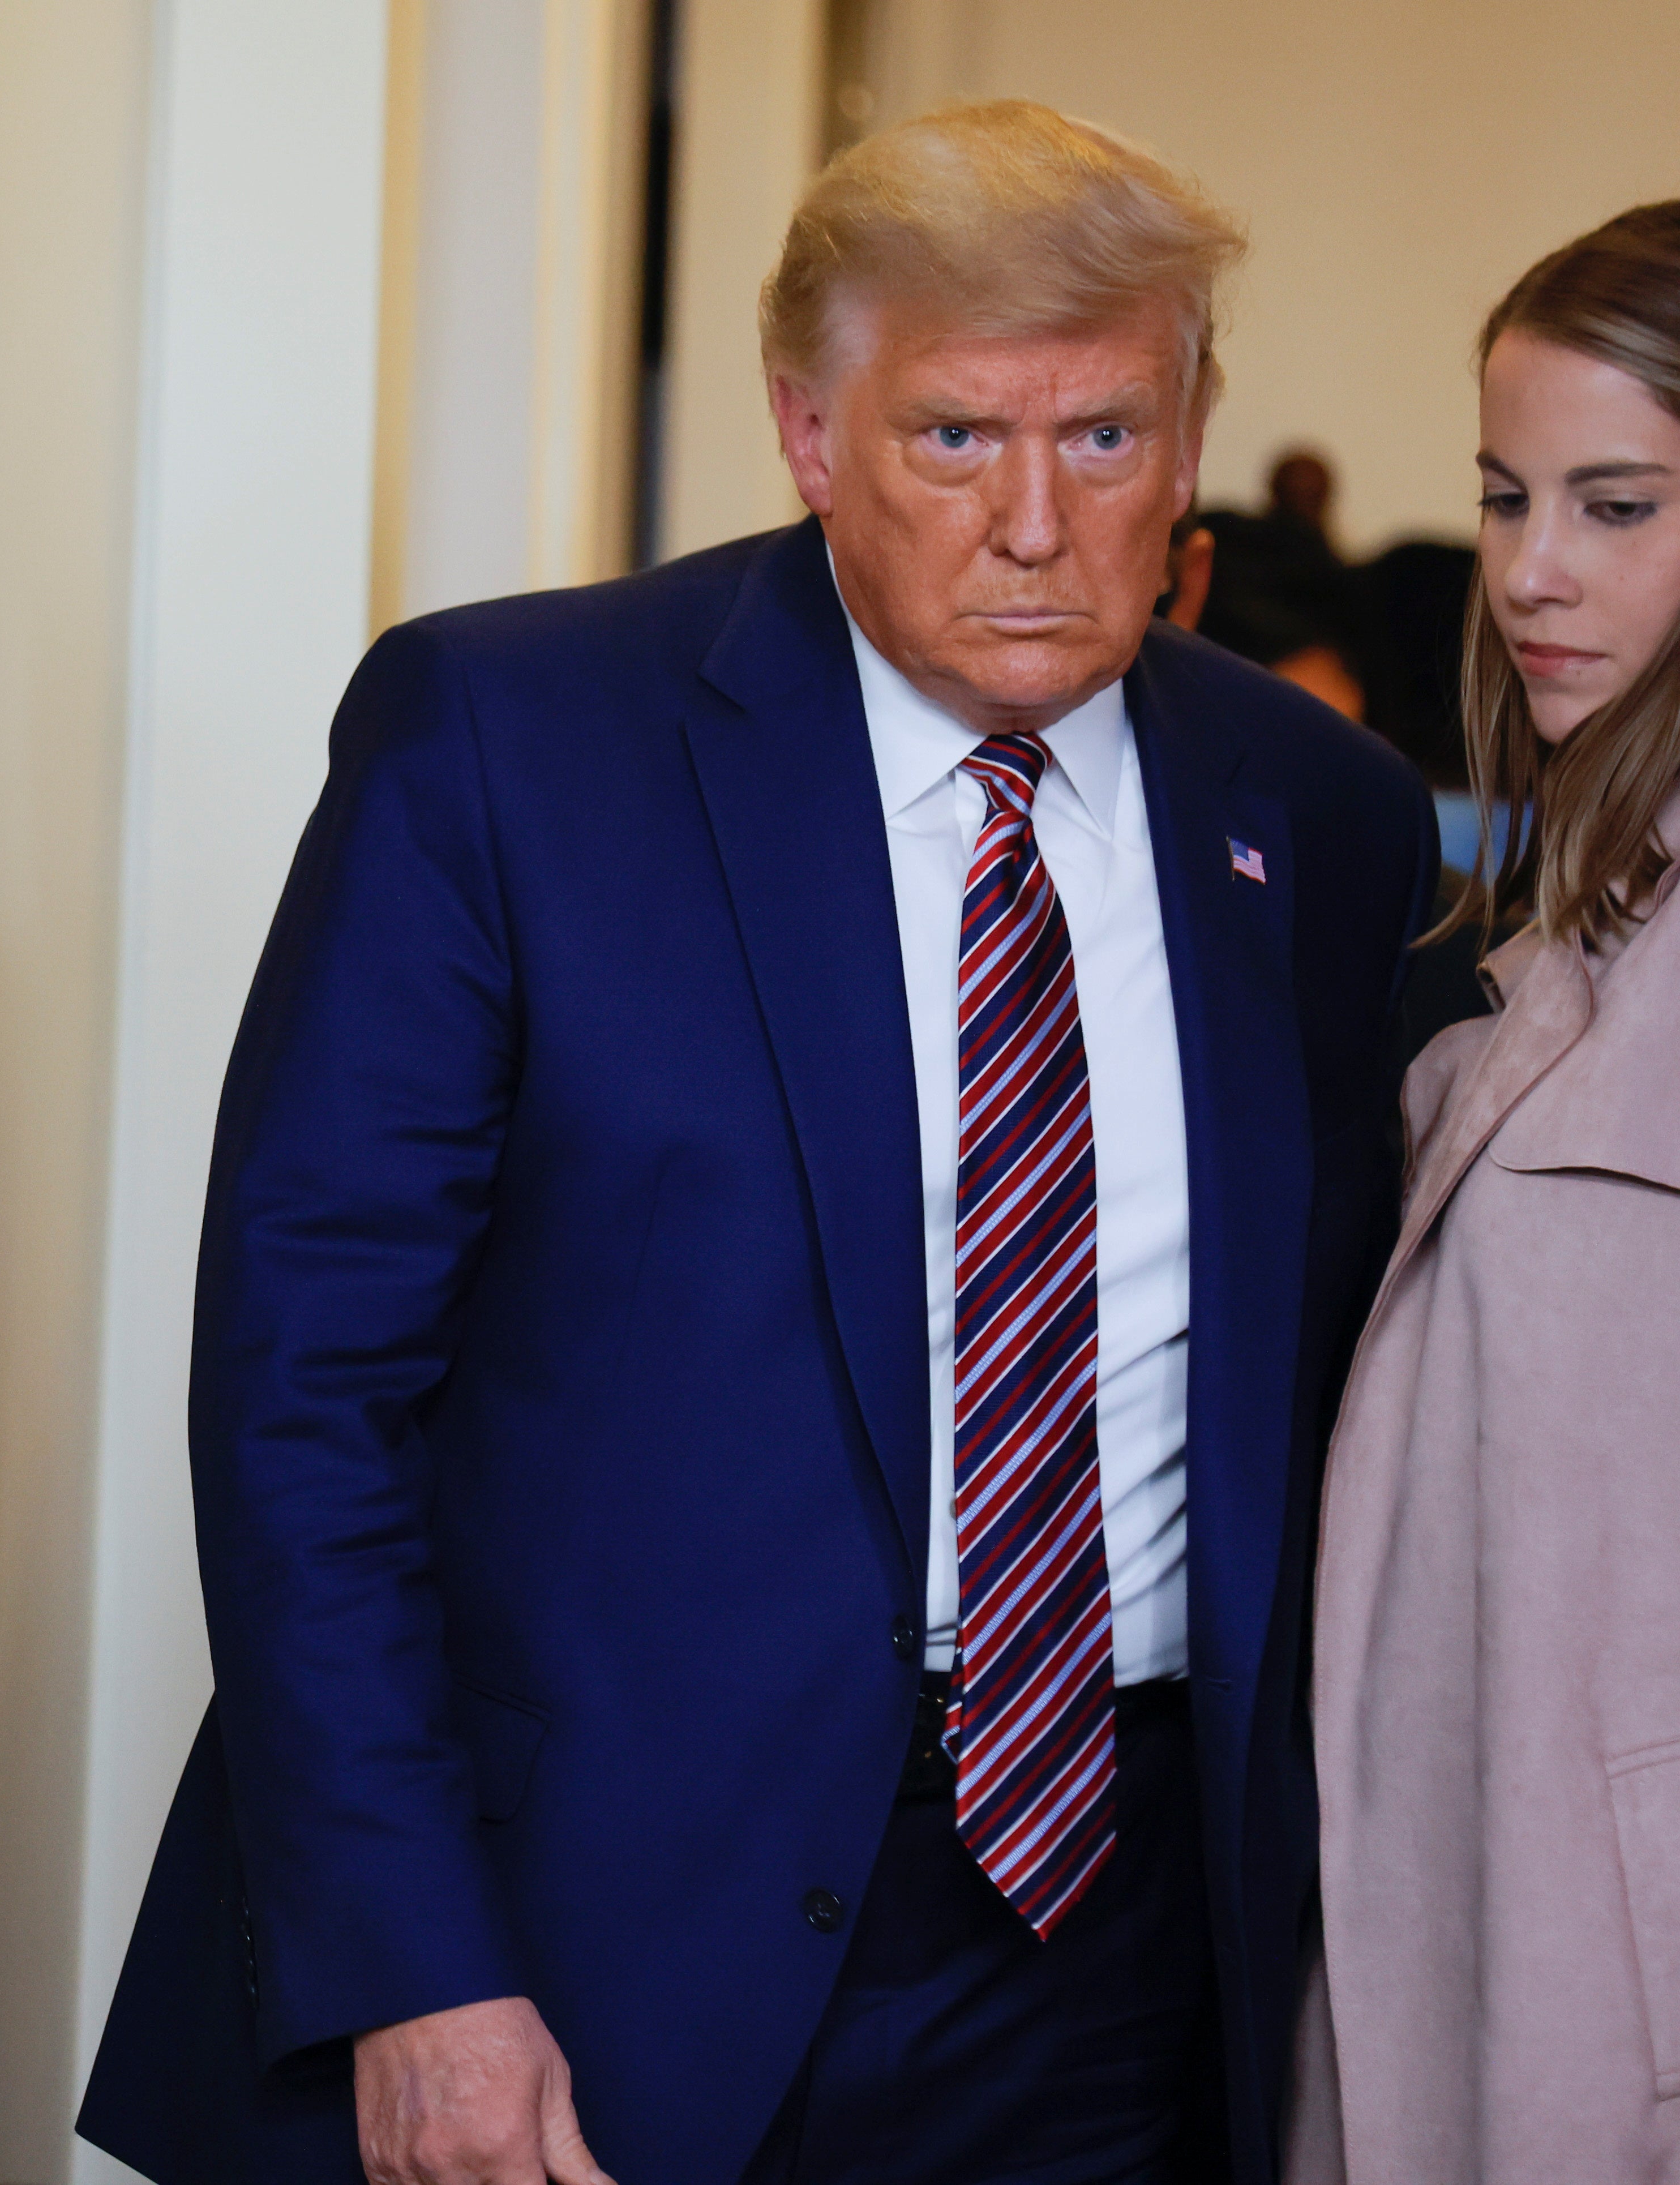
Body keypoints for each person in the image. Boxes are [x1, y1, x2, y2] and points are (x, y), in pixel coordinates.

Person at [76, 101, 1438, 2185]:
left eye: (1102, 438)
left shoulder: (1314, 813)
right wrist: (413, 1969)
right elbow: (303, 1398)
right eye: (954, 439)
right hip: (578, 1938)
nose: (1032, 524)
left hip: (1112, 1953)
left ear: (1190, 440)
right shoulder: (509, 742)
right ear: (810, 437)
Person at [1288, 200, 1680, 2185]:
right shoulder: (1625, 886)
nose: (1529, 572)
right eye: (1503, 500)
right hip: (1482, 1947)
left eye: (1614, 503)